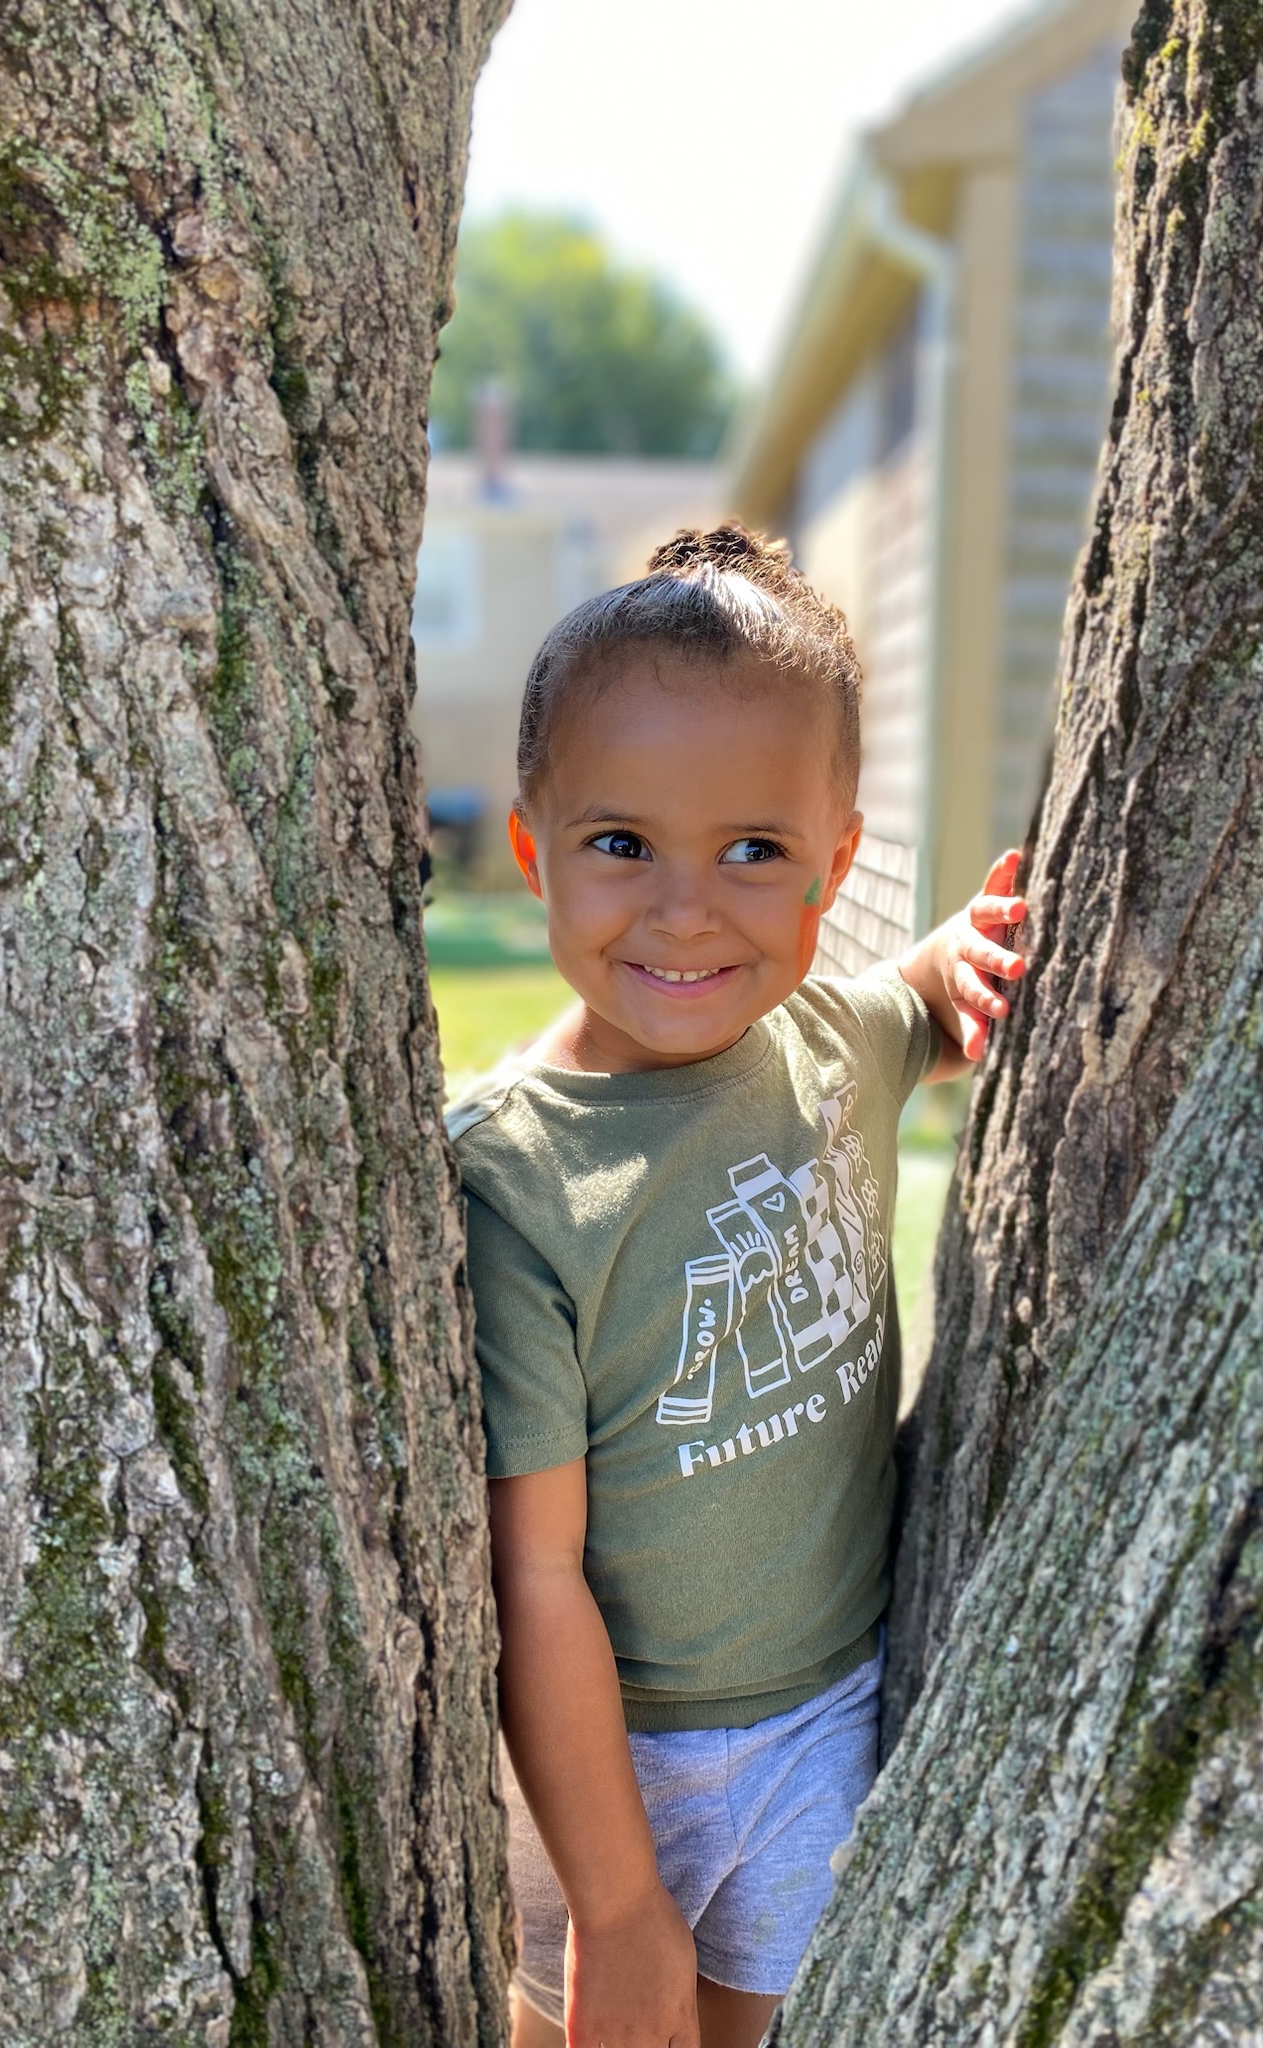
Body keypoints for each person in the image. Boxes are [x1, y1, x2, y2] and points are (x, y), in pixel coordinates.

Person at [450, 524, 1028, 2048]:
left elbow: (912, 1003)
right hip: (608, 1759)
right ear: (534, 849)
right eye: (624, 844)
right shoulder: (515, 1182)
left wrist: (962, 957)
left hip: (828, 1711)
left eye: (754, 852)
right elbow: (536, 1572)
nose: (688, 909)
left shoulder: (830, 1035)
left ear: (837, 865)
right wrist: (622, 1900)